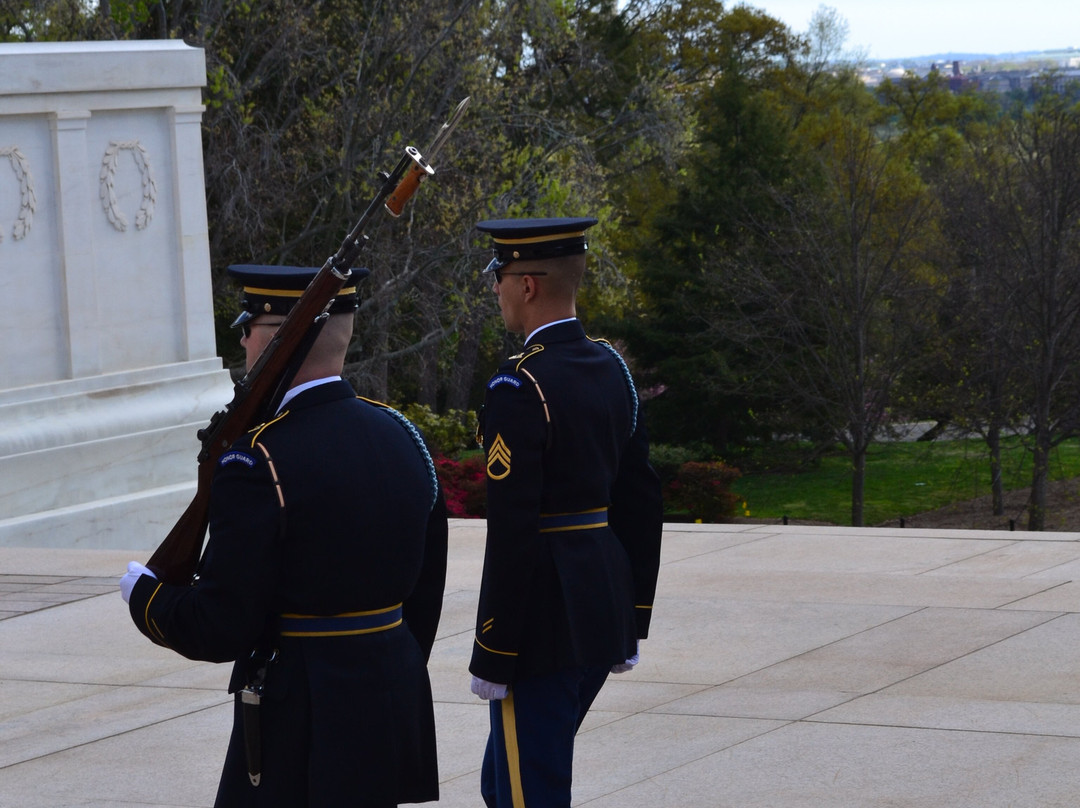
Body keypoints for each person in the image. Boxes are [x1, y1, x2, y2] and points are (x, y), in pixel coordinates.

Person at [119, 264, 448, 808]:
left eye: (249, 326)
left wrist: (146, 597)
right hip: (391, 695)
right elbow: (424, 596)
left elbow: (220, 626)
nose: (243, 339)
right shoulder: (403, 437)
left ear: (277, 339)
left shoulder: (257, 458)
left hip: (299, 715)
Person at [469, 217, 663, 807]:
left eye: (498, 278)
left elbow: (513, 530)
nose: (496, 290)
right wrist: (632, 613)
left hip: (542, 619)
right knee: (503, 781)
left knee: (531, 791)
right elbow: (640, 499)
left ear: (526, 285)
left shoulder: (518, 385)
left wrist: (494, 648)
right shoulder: (611, 369)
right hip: (598, 601)